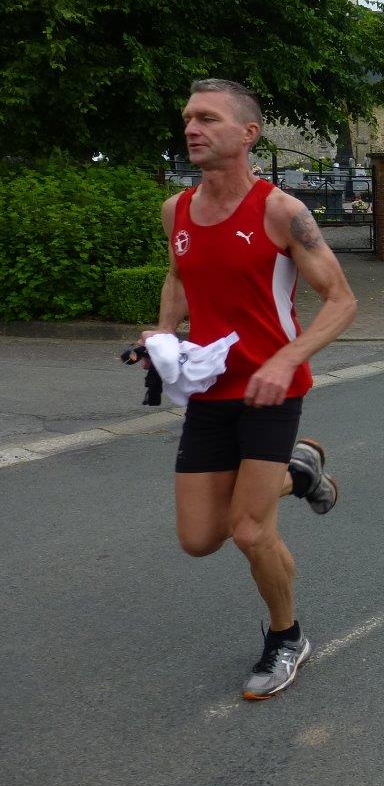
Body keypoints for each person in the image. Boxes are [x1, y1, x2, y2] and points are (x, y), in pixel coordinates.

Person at [138, 78, 357, 700]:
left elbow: (341, 301)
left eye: (207, 117)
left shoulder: (280, 211)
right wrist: (163, 338)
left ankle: (286, 637)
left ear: (248, 133)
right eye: (187, 118)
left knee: (251, 530)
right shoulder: (175, 210)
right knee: (198, 538)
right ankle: (300, 471)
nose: (191, 128)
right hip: (208, 392)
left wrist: (286, 360)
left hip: (271, 392)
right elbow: (178, 276)